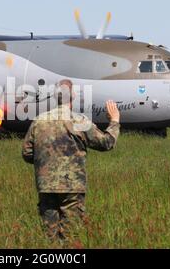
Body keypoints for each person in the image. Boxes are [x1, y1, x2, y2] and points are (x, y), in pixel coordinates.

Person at [22, 79, 120, 241]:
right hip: (72, 186)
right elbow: (106, 143)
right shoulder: (79, 121)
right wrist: (114, 121)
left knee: (50, 235)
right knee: (73, 233)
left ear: (55, 97)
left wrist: (47, 161)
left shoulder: (39, 121)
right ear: (73, 96)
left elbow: (27, 153)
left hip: (46, 185)